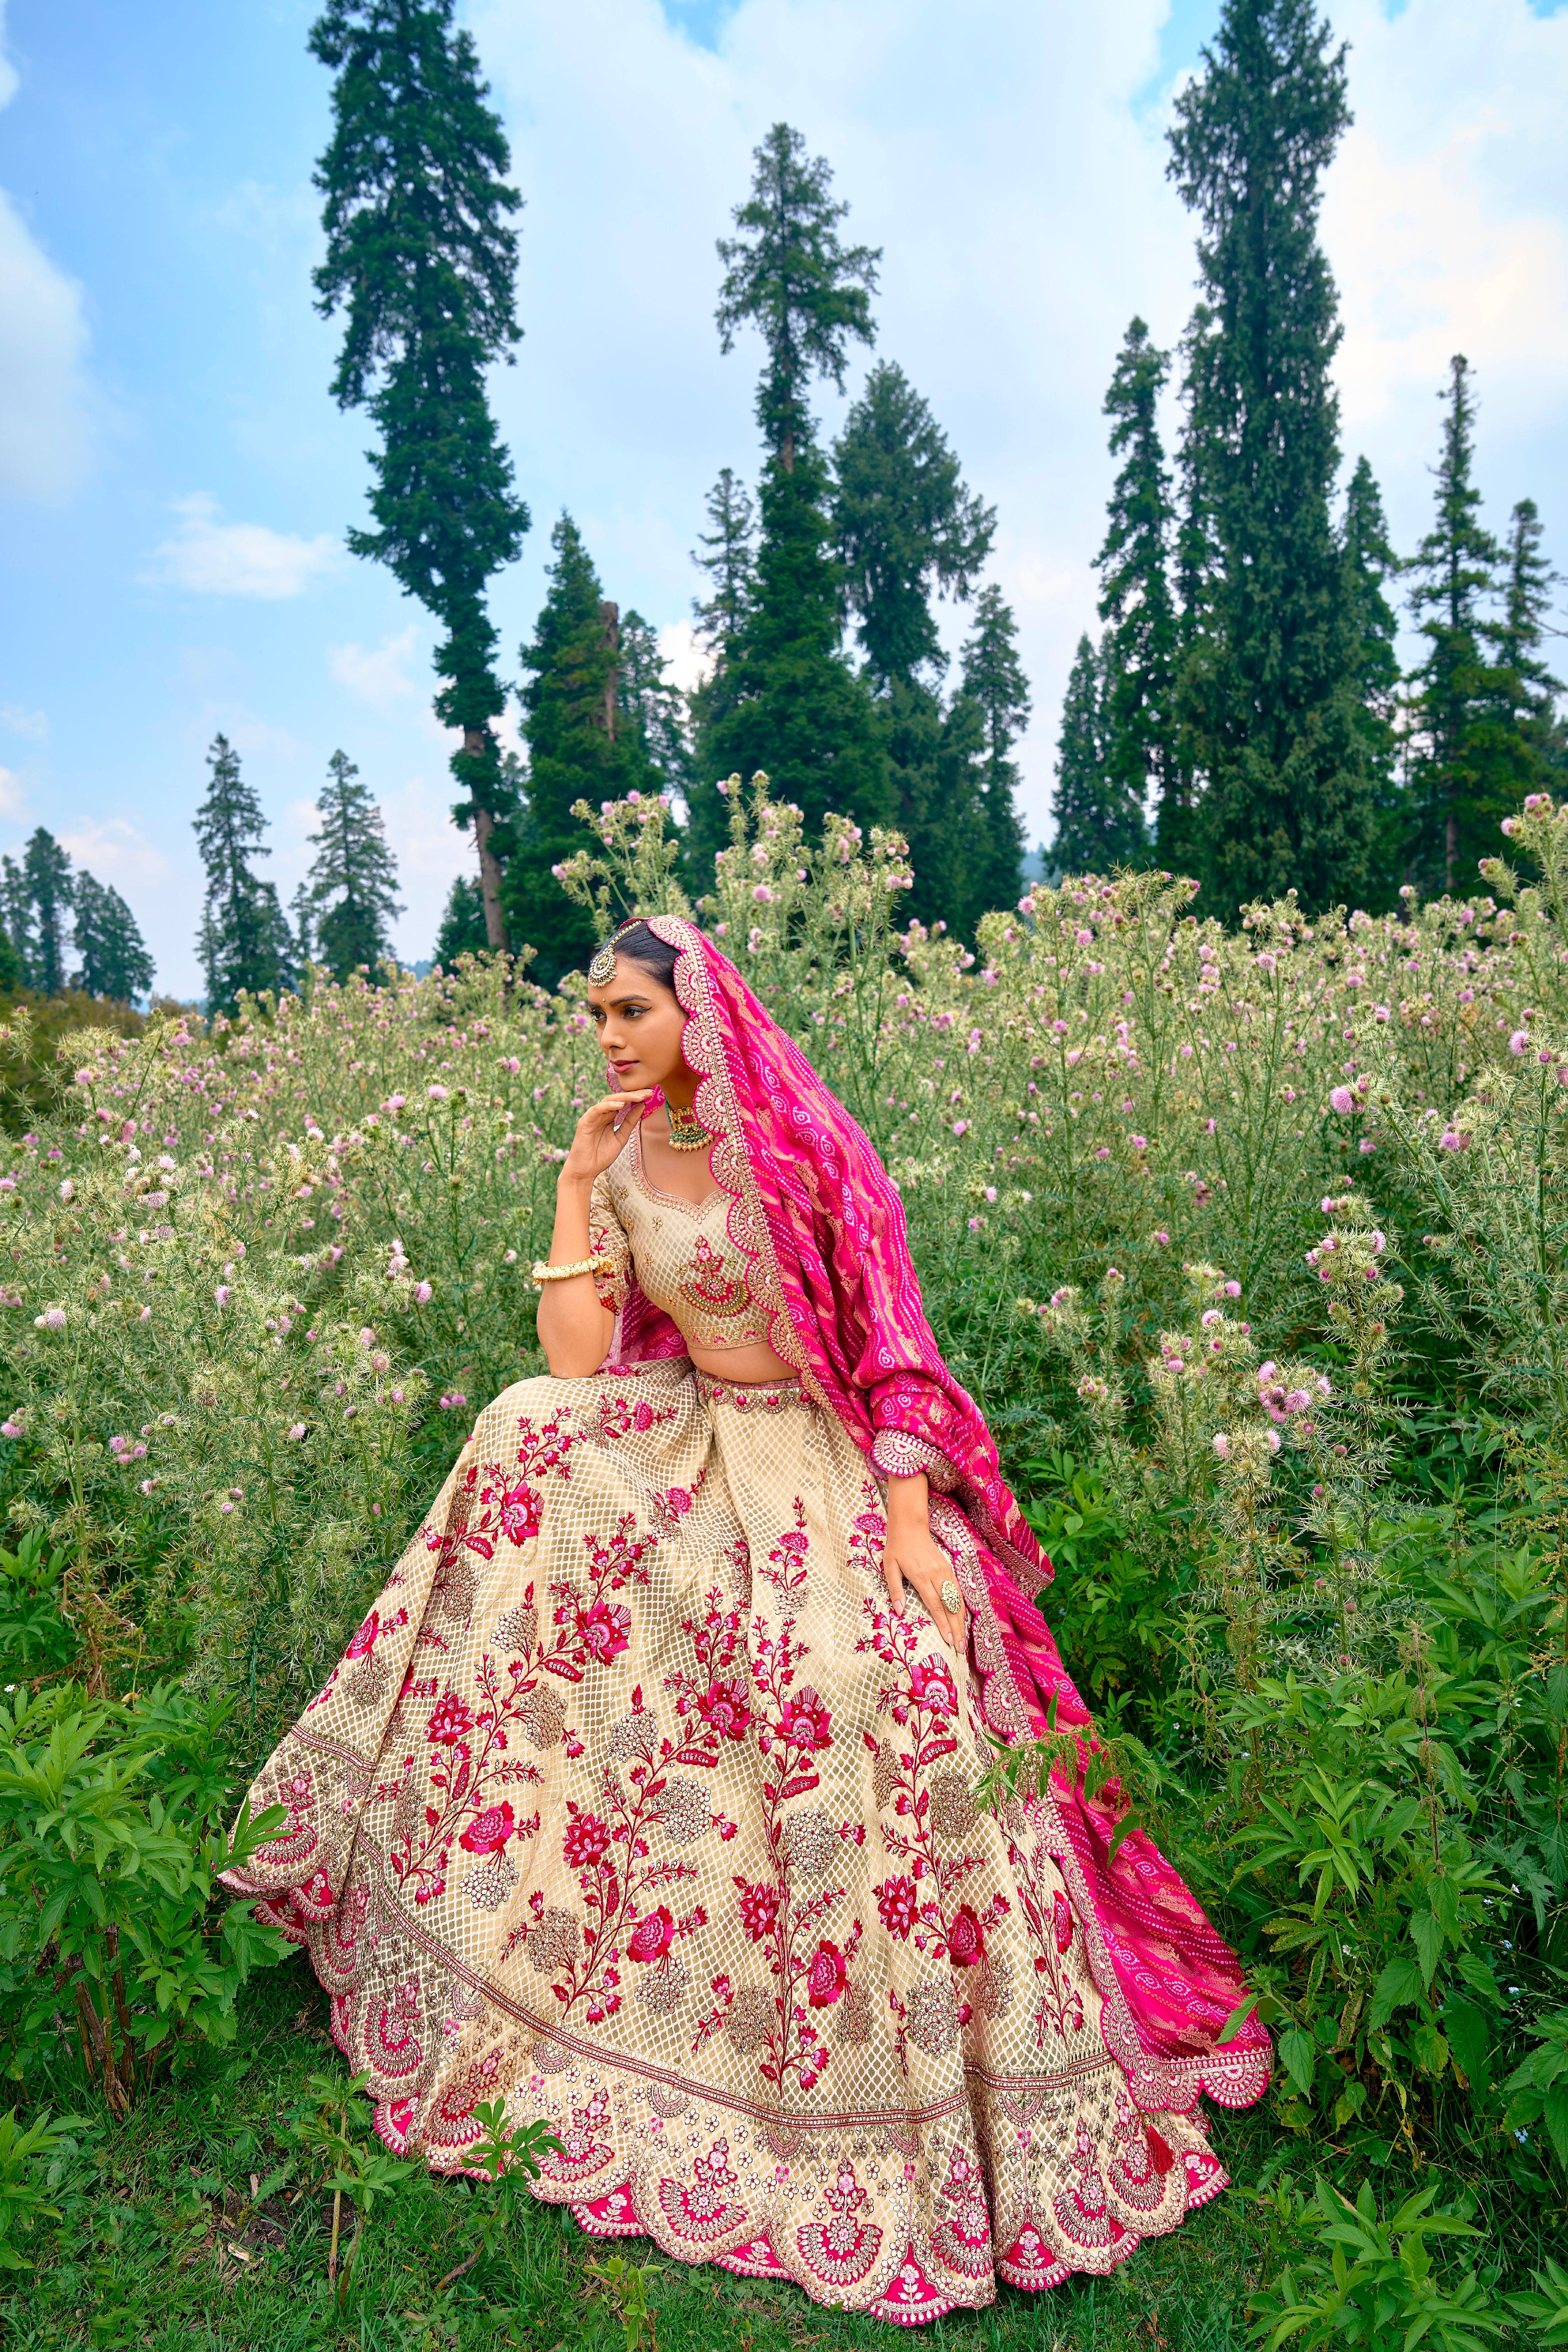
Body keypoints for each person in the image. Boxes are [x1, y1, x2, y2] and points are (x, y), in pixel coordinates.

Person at [224, 914, 1269, 2323]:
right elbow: (582, 1364)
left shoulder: (803, 1152)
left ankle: (898, 2078)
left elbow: (897, 1348)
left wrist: (910, 1529)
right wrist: (573, 1191)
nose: (607, 1038)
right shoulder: (623, 1156)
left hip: (822, 1452)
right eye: (596, 1015)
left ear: (696, 1017)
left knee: (855, 1679)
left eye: (630, 1013)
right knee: (524, 1432)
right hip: (692, 1434)